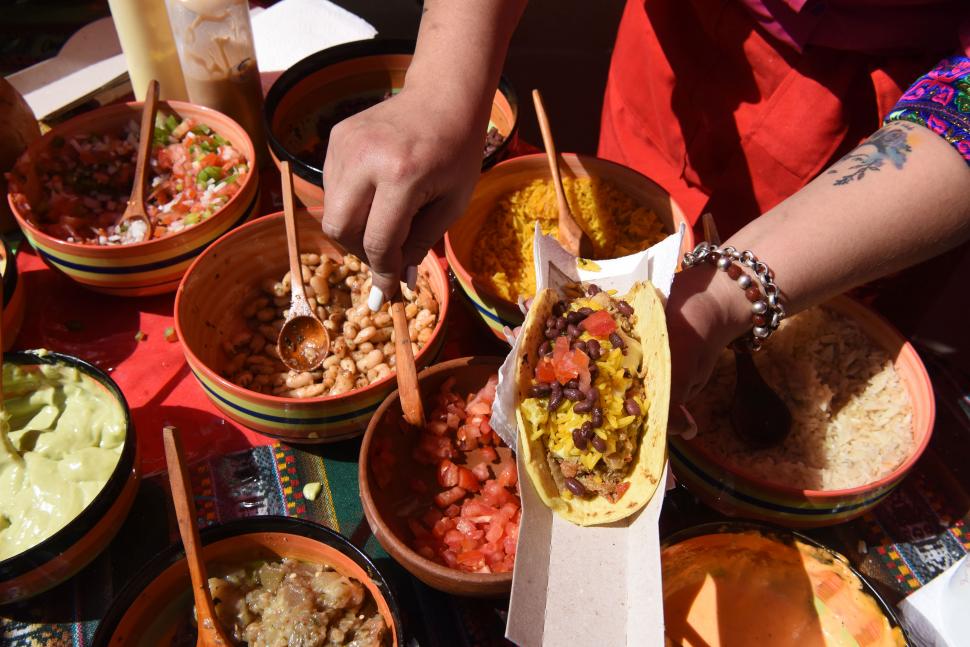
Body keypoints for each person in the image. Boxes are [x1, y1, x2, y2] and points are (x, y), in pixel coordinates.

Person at [320, 0, 970, 409]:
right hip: (681, 46)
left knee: (801, 383)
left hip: (891, 143)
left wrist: (717, 298)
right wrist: (442, 85)